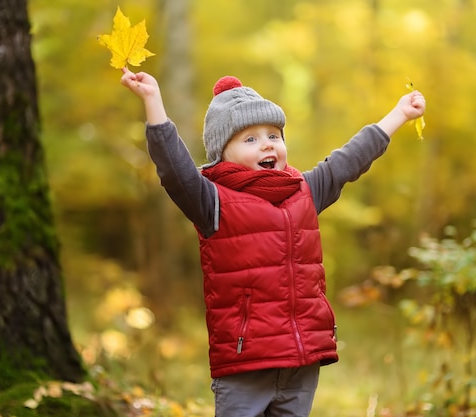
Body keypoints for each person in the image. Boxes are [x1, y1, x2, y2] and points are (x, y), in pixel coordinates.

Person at [120, 68, 426, 417]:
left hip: (302, 359)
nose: (267, 143)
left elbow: (349, 160)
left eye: (274, 135)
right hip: (246, 363)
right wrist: (152, 102)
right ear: (223, 153)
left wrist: (399, 114)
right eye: (250, 139)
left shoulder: (304, 192)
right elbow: (175, 171)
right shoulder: (212, 201)